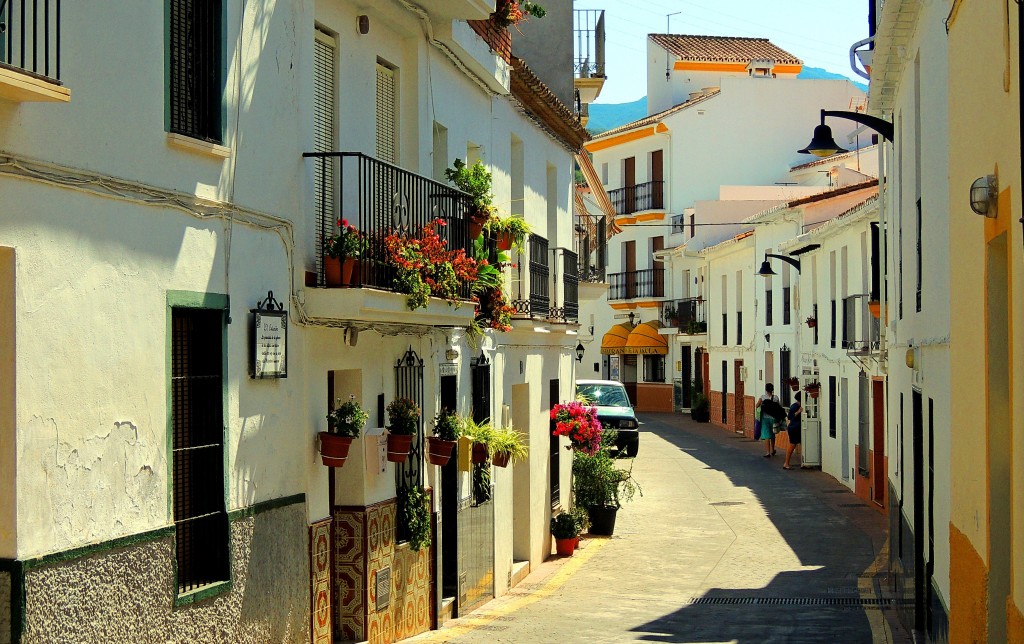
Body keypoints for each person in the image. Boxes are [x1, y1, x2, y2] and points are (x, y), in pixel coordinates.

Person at [754, 383, 782, 457]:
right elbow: (779, 407)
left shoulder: (762, 397)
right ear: (772, 390)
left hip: (765, 419)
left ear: (766, 390)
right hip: (773, 419)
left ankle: (767, 452)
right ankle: (773, 450)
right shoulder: (776, 397)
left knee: (766, 435)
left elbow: (757, 406)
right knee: (772, 434)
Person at [784, 392, 803, 470]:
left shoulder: (796, 405)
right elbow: (790, 417)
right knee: (792, 445)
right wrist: (799, 412)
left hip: (796, 428)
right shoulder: (795, 407)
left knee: (796, 445)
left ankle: (804, 462)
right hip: (794, 428)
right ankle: (786, 463)